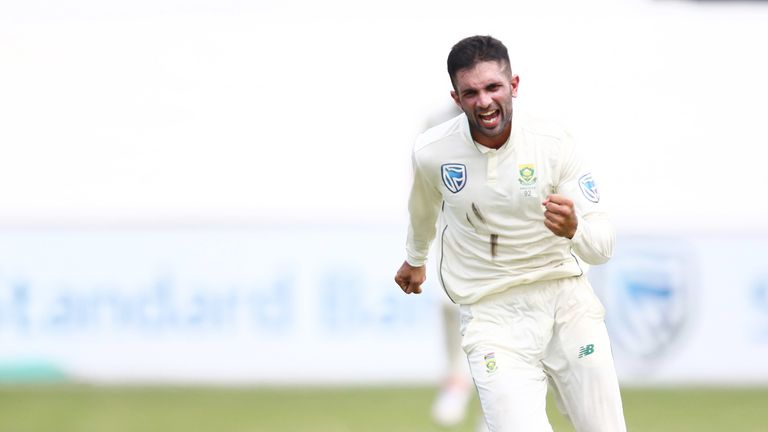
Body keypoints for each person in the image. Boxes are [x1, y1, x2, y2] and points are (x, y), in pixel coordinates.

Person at [394, 35, 626, 432]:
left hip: (565, 305)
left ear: (513, 86)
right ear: (456, 97)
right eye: (471, 92)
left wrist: (575, 229)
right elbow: (422, 209)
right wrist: (415, 259)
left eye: (493, 87)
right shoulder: (432, 151)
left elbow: (602, 246)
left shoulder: (553, 143)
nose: (483, 101)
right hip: (491, 315)